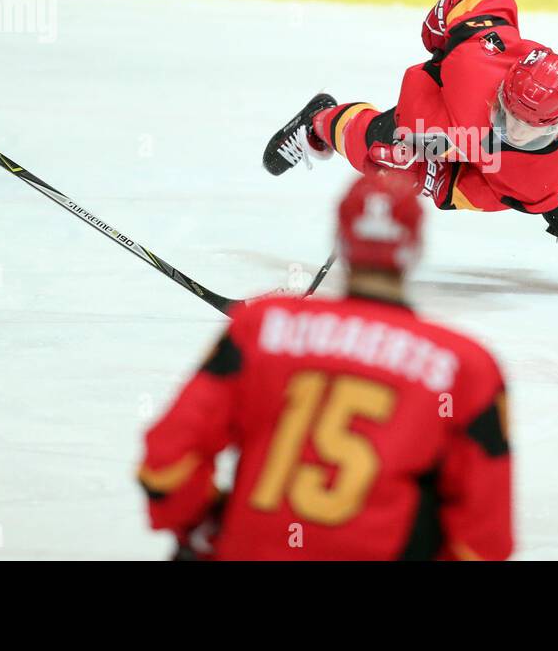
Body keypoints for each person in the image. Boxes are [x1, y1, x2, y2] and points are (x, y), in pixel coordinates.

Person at [139, 171, 514, 560]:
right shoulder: (465, 367)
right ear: (416, 249)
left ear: (340, 241)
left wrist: (207, 525)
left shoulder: (264, 328)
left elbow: (166, 462)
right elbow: (483, 540)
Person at [263, 0, 558, 271]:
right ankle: (319, 120)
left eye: (527, 125)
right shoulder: (475, 63)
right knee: (384, 152)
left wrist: (446, 187)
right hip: (448, 116)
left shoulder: (551, 174)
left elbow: (495, 193)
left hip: (510, 167)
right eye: (508, 111)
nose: (512, 129)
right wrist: (437, 28)